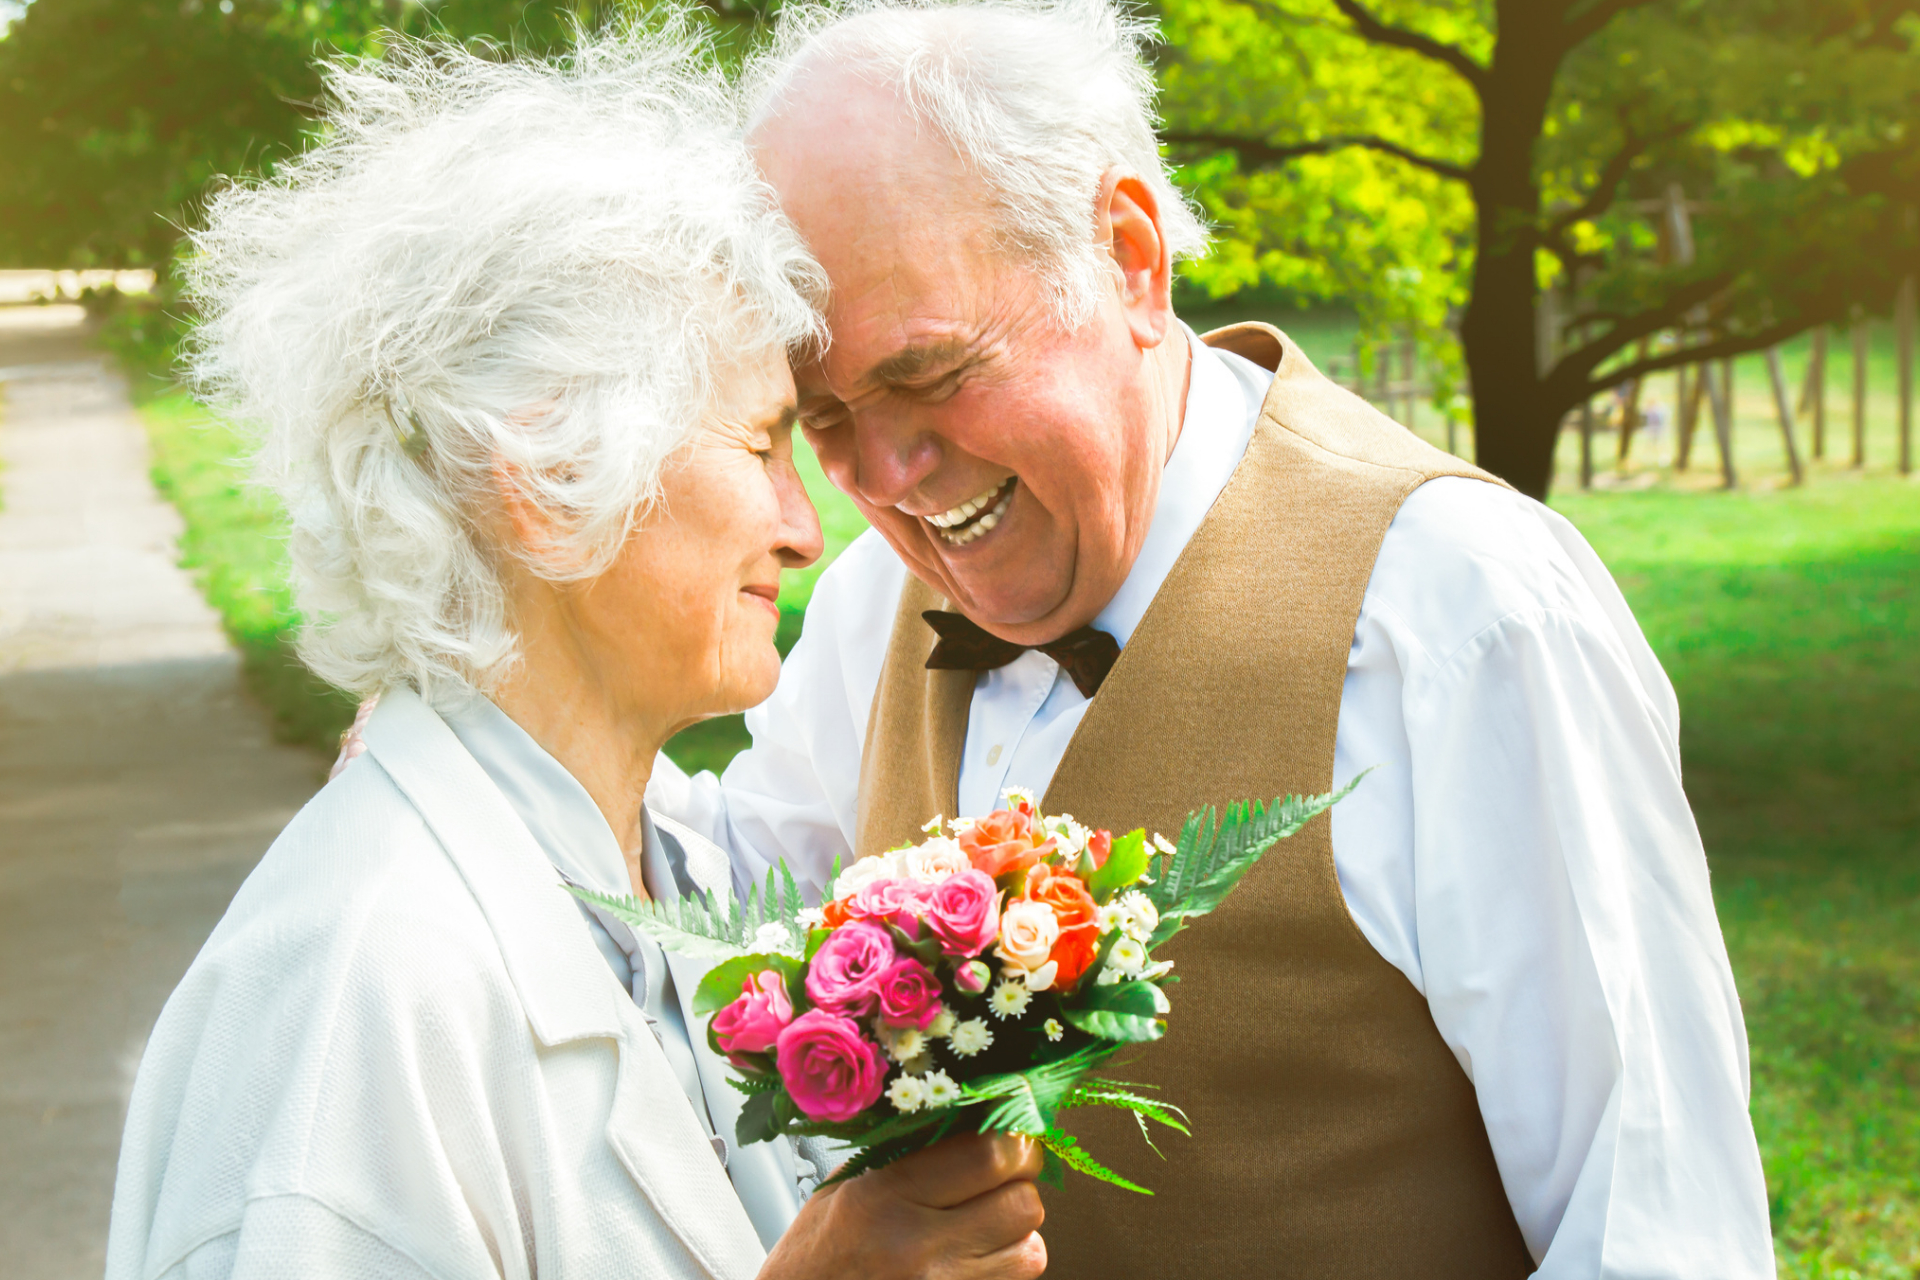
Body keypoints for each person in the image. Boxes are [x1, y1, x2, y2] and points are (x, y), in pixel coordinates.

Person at [644, 0, 1778, 1275]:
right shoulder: (869, 614)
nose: (889, 473)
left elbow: (1656, 1230)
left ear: (1128, 256)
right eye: (828, 415)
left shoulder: (1463, 615)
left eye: (932, 373)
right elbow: (706, 917)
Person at [106, 28, 1047, 1280]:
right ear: (546, 476)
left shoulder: (666, 869)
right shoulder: (353, 1005)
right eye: (764, 441)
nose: (802, 527)